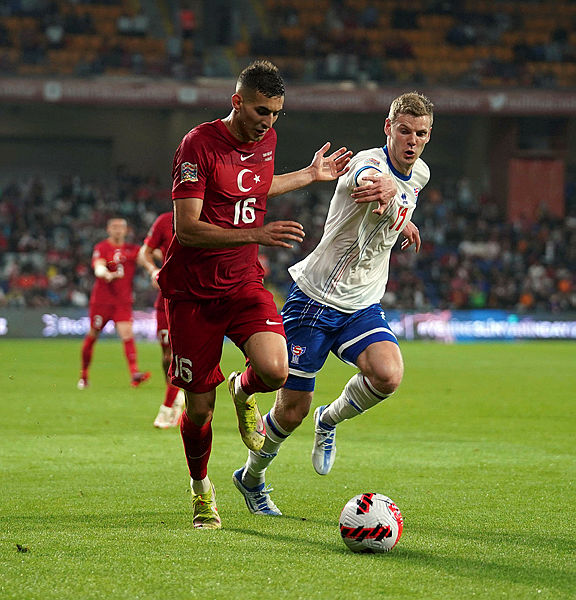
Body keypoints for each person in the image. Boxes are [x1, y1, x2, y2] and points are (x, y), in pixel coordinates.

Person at [157, 60, 352, 529]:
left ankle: (242, 390)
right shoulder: (197, 145)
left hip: (243, 282)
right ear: (237, 101)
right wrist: (257, 235)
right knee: (199, 409)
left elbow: (257, 187)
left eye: (277, 113)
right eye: (261, 110)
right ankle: (202, 489)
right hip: (193, 294)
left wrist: (308, 175)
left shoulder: (267, 141)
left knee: (273, 369)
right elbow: (187, 229)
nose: (268, 121)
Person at [232, 92, 433, 516]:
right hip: (315, 300)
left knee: (388, 374)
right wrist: (382, 189)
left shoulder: (420, 175)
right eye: (404, 131)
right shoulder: (369, 165)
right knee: (290, 411)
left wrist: (404, 216)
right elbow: (365, 179)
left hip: (362, 302)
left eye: (421, 133)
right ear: (388, 128)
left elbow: (397, 199)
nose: (411, 141)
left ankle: (330, 419)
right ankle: (251, 478)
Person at [78, 217, 151, 389]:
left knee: (127, 334)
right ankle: (84, 375)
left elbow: (146, 257)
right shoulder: (102, 247)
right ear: (108, 229)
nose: (118, 230)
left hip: (122, 302)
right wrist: (106, 274)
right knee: (93, 335)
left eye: (121, 227)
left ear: (126, 231)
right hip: (102, 302)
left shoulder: (132, 250)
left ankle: (135, 374)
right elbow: (99, 266)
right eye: (114, 227)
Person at [138, 211, 185, 428]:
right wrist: (153, 270)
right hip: (165, 298)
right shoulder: (164, 221)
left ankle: (166, 409)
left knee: (177, 356)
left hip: (191, 298)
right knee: (167, 357)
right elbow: (144, 252)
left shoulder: (210, 217)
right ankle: (176, 395)